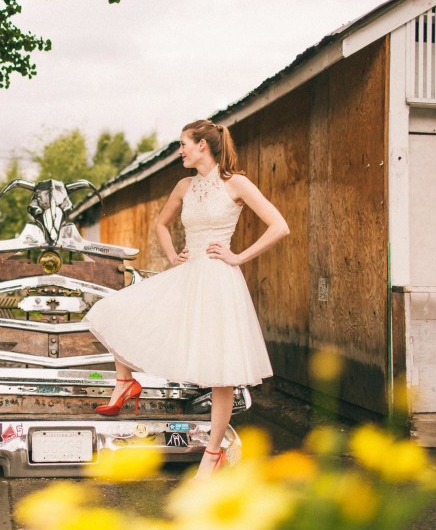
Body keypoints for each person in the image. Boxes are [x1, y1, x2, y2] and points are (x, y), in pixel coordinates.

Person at [83, 119, 289, 479]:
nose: (180, 151)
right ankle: (124, 381)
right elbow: (162, 224)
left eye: (183, 144)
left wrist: (238, 257)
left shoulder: (236, 183)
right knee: (112, 310)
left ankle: (212, 455)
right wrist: (172, 255)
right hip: (189, 273)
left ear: (202, 146)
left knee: (221, 371)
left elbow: (279, 225)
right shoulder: (184, 185)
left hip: (220, 280)